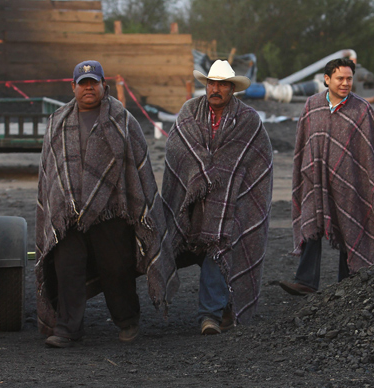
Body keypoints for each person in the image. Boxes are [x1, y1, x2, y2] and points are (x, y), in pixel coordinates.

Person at [35, 60, 179, 348]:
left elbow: (139, 172)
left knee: (117, 269)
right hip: (68, 215)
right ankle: (67, 329)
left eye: (94, 83)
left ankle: (127, 320)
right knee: (68, 270)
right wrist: (58, 208)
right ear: (73, 87)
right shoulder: (57, 123)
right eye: (83, 83)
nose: (89, 88)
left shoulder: (123, 121)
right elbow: (50, 175)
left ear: (104, 85)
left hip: (113, 211)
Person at [161, 60, 273, 334]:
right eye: (212, 83)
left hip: (230, 203)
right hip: (191, 199)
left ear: (232, 88)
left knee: (219, 246)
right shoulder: (189, 111)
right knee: (168, 246)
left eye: (222, 84)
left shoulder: (248, 120)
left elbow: (258, 163)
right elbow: (178, 149)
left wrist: (227, 187)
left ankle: (209, 315)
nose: (216, 89)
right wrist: (202, 173)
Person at [279, 58, 374, 296]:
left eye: (349, 78)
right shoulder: (312, 105)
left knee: (350, 223)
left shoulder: (361, 109)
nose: (346, 83)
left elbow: (373, 147)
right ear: (327, 80)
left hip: (350, 181)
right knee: (311, 223)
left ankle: (347, 283)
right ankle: (306, 281)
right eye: (340, 78)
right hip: (315, 180)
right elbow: (303, 143)